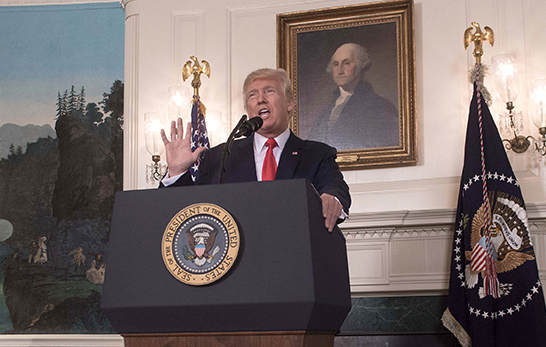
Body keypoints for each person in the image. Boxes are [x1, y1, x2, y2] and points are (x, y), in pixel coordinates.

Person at [160, 68, 350, 232]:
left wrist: (331, 199)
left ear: (289, 103)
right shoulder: (219, 156)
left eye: (269, 91)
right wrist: (176, 172)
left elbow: (334, 186)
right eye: (252, 95)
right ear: (247, 108)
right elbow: (190, 210)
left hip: (294, 252)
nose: (260, 99)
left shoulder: (316, 154)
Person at [306, 43, 399, 150]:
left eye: (346, 63)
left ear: (360, 66)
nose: (339, 71)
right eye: (336, 64)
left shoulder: (380, 107)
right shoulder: (326, 113)